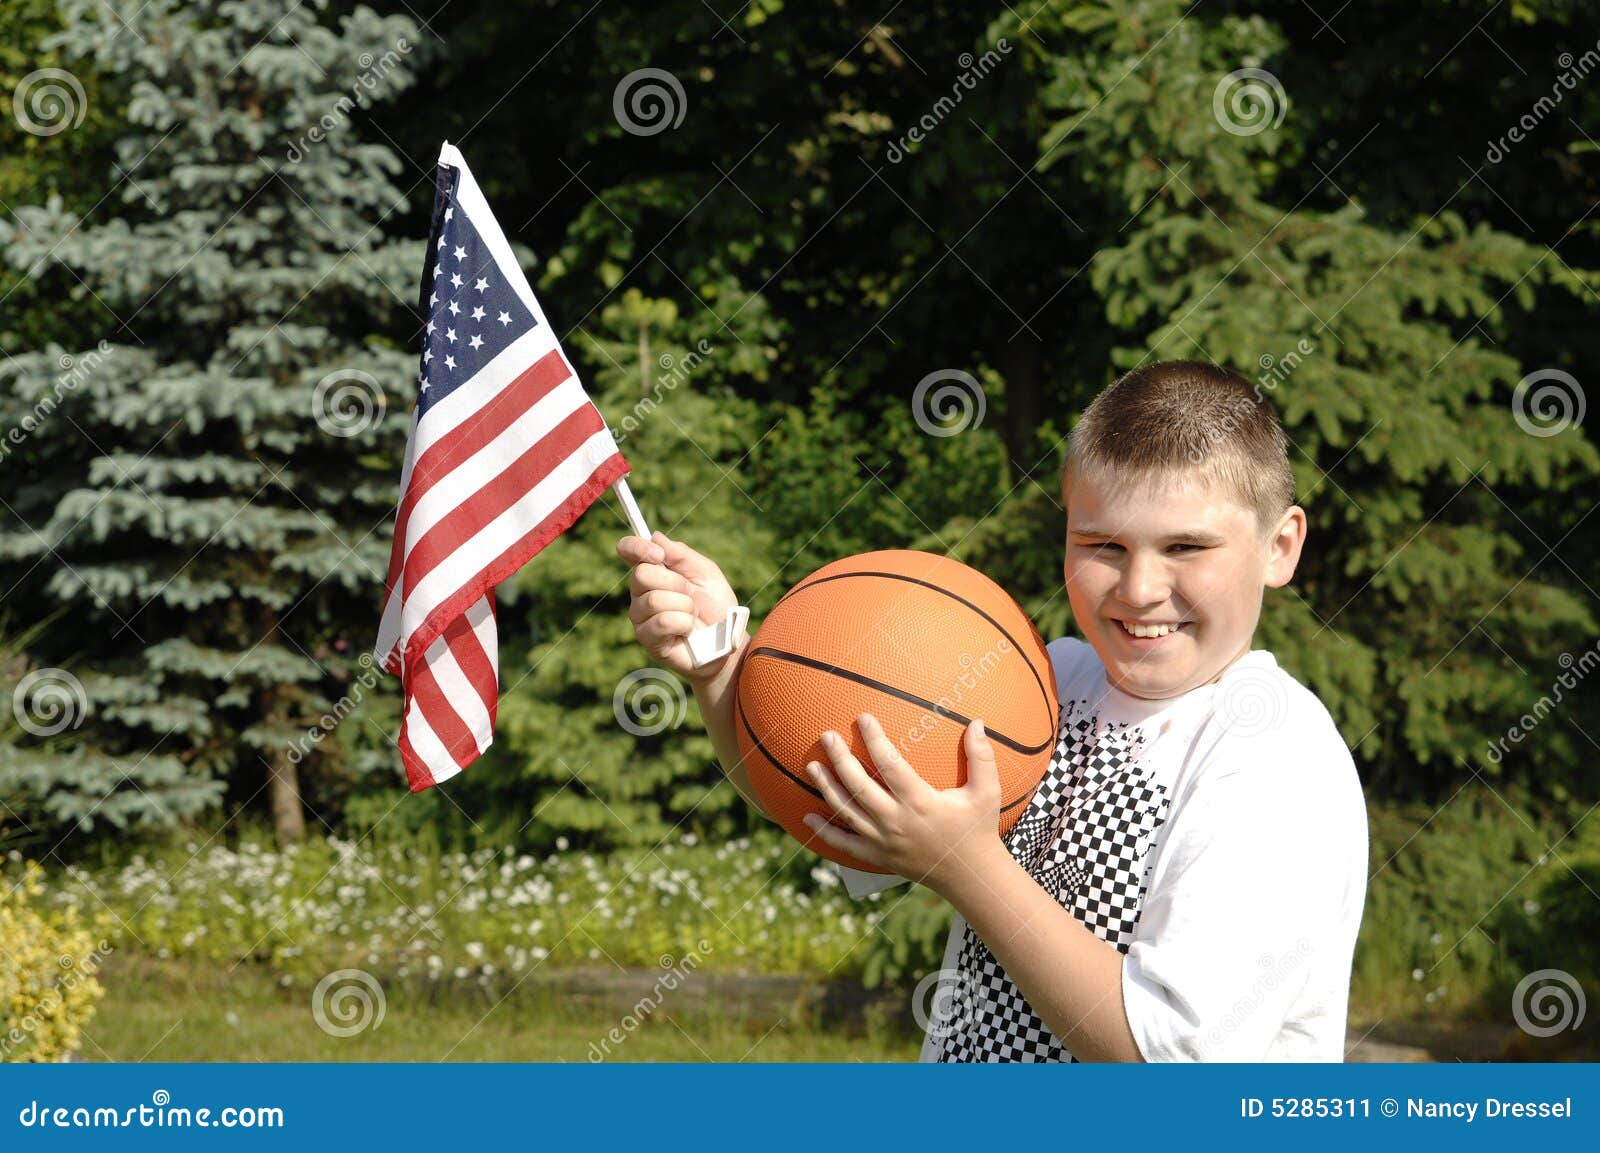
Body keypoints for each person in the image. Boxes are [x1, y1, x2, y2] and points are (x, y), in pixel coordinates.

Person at [616, 359, 1369, 1062]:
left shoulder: (1276, 759)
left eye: (1185, 547)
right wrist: (721, 668)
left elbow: (1168, 1058)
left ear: (1281, 546)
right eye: (1102, 543)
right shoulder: (1047, 681)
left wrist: (966, 865)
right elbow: (833, 803)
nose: (1139, 587)